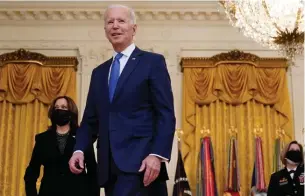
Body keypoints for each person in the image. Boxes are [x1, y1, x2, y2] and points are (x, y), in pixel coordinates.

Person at [68, 4, 176, 196]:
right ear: (105, 31)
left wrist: (157, 155)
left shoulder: (152, 62)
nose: (115, 26)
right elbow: (90, 120)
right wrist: (79, 150)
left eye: (121, 21)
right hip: (108, 169)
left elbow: (165, 114)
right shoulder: (99, 73)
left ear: (134, 28)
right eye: (110, 22)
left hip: (142, 165)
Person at [24, 96, 99, 196]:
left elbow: (92, 172)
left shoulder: (82, 138)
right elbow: (31, 172)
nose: (59, 110)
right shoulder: (42, 139)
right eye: (57, 107)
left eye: (64, 107)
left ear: (71, 112)